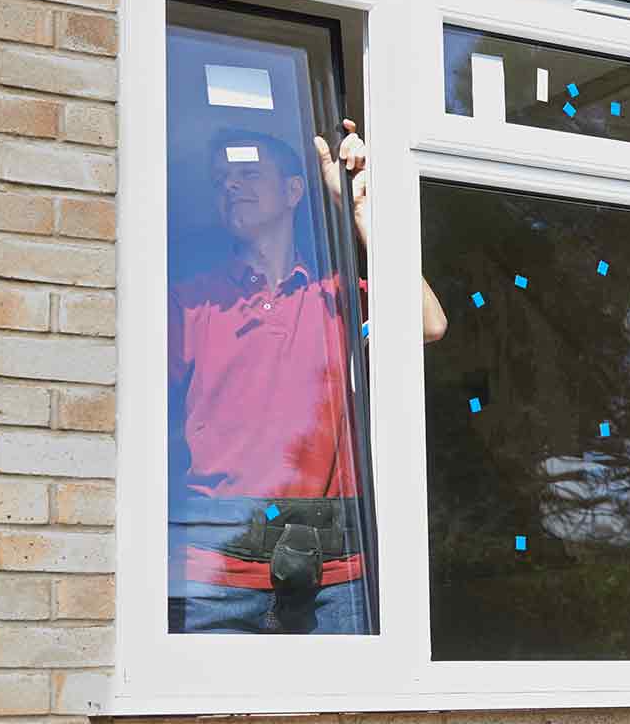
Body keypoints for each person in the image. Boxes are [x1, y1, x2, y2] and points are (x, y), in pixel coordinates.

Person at [168, 121, 446, 634]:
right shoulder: (192, 301)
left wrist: (363, 213)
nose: (229, 186)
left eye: (248, 173)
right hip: (215, 575)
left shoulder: (336, 295)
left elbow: (429, 322)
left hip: (333, 577)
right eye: (219, 179)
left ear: (295, 190)